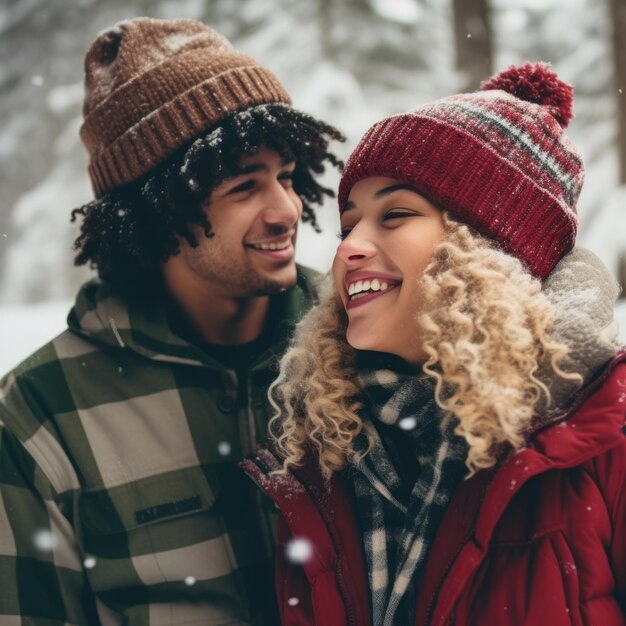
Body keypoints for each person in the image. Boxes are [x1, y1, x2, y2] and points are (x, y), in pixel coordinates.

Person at [241, 63, 626, 626]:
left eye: (395, 214)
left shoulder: (603, 433)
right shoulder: (322, 454)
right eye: (348, 225)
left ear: (491, 251)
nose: (349, 248)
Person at [0, 17, 343, 626]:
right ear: (156, 212)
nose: (285, 209)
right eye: (245, 186)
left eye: (286, 177)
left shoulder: (358, 336)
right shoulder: (39, 412)